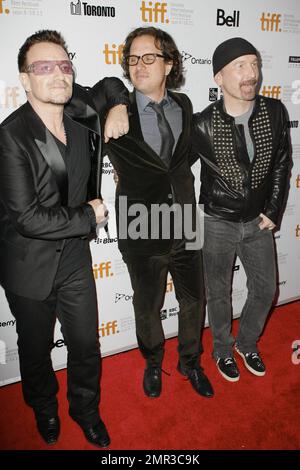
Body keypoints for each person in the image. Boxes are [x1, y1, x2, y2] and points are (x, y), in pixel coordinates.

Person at [0, 30, 129, 447]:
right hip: (28, 266)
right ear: (24, 78)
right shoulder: (11, 136)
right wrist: (89, 214)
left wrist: (120, 106)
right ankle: (44, 408)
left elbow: (111, 84)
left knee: (85, 344)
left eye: (64, 64)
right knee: (35, 351)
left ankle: (85, 410)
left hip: (74, 259)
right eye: (43, 67)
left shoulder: (80, 109)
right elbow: (27, 218)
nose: (57, 74)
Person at [105, 27, 214, 399]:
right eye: (133, 59)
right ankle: (153, 362)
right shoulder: (114, 110)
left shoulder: (183, 104)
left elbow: (180, 163)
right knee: (147, 305)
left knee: (193, 300)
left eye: (150, 57)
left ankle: (191, 362)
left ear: (169, 64)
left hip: (184, 219)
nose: (140, 65)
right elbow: (91, 91)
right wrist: (118, 101)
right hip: (139, 225)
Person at [191, 37, 291, 382]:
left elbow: (281, 163)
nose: (252, 73)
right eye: (240, 66)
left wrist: (274, 210)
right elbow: (172, 168)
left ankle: (246, 343)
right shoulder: (201, 124)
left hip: (258, 220)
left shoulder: (275, 111)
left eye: (254, 64)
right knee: (218, 293)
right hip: (218, 220)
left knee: (266, 289)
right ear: (218, 77)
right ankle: (221, 349)